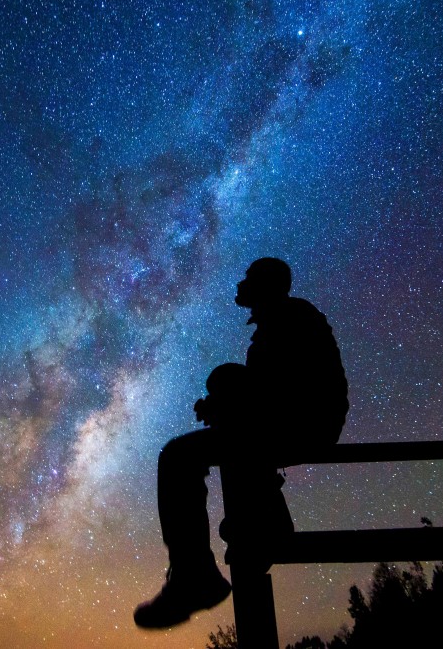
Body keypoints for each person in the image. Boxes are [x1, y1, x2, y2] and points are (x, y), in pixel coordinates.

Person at [134, 257, 349, 629]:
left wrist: (226, 401)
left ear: (267, 284)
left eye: (248, 278)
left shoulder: (291, 317)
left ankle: (196, 576)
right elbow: (266, 389)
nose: (240, 283)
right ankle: (264, 518)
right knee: (225, 392)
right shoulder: (277, 323)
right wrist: (226, 402)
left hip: (307, 422)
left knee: (179, 455)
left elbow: (282, 388)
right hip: (295, 421)